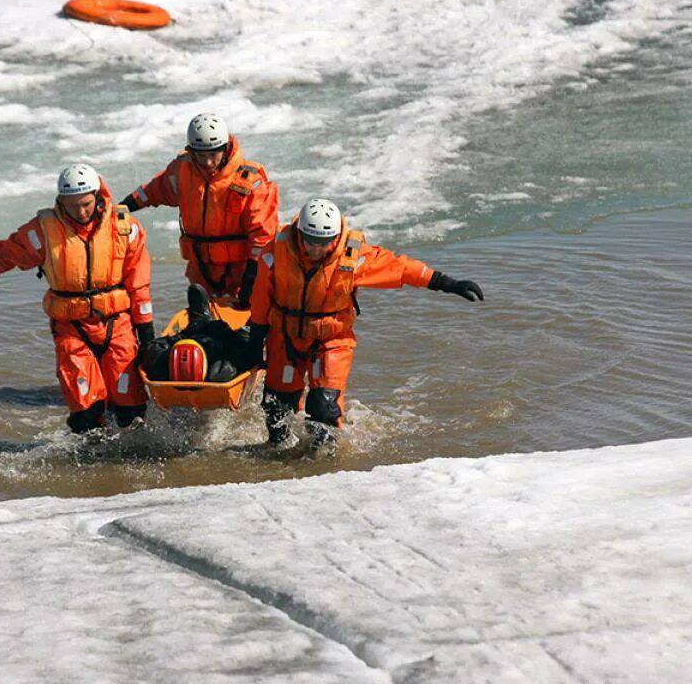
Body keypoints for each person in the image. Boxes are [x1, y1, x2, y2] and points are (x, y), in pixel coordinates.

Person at [0, 164, 155, 434]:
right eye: (72, 206)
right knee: (86, 415)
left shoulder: (124, 228)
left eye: (86, 204)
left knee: (132, 412)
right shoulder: (43, 232)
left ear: (98, 195)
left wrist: (147, 336)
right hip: (72, 329)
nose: (80, 212)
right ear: (60, 202)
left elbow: (139, 285)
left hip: (118, 325)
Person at [247, 198, 484, 448]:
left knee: (324, 407)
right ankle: (279, 460)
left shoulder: (354, 256)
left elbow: (400, 269)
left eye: (325, 243)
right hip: (285, 337)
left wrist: (447, 283)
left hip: (331, 339)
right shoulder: (276, 251)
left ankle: (322, 462)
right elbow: (262, 295)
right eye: (311, 242)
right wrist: (255, 339)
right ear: (300, 233)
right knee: (276, 409)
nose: (317, 249)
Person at [120, 113, 279, 308]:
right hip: (201, 270)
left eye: (213, 155)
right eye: (201, 156)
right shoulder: (181, 171)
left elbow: (263, 236)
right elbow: (153, 191)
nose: (208, 162)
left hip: (241, 272)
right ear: (191, 151)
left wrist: (252, 278)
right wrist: (122, 208)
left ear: (225, 148)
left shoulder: (250, 182)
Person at [142, 284, 257, 383]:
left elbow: (151, 348)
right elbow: (246, 354)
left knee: (196, 293)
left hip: (194, 337)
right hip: (217, 344)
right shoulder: (220, 373)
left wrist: (179, 336)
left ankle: (201, 320)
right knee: (243, 338)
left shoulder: (160, 367)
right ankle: (202, 321)